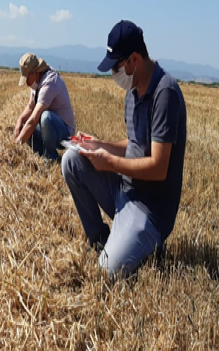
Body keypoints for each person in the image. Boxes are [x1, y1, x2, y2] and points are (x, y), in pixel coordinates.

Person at [61, 20, 187, 276]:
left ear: (134, 60)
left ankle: (146, 243)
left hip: (150, 208)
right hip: (124, 190)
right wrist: (97, 144)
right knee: (71, 160)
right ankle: (100, 240)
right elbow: (134, 145)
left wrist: (108, 162)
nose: (114, 75)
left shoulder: (166, 94)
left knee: (108, 272)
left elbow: (158, 167)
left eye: (117, 67)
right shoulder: (133, 92)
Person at [13, 53, 76, 161]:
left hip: (64, 134)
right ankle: (44, 153)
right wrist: (19, 122)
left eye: (27, 78)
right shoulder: (37, 82)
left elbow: (33, 119)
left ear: (35, 72)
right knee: (25, 124)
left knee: (45, 117)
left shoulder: (49, 81)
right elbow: (30, 107)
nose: (27, 83)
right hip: (48, 130)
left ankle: (51, 158)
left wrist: (15, 146)